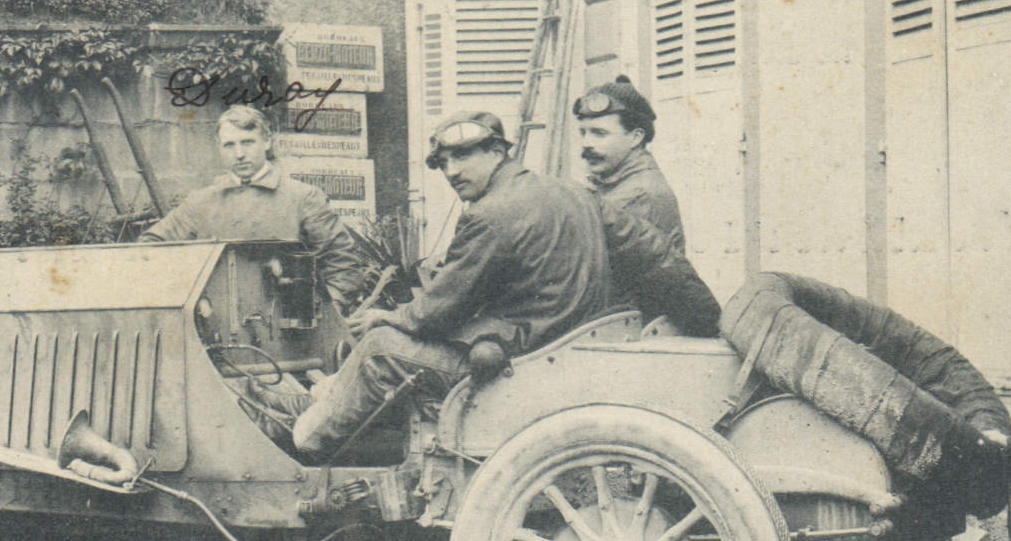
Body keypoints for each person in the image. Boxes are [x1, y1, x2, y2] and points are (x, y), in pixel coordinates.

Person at [289, 111, 610, 461]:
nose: (451, 171)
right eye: (443, 163)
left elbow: (438, 310)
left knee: (378, 347)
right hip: (565, 350)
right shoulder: (578, 193)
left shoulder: (489, 212)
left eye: (463, 156)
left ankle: (303, 443)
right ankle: (320, 400)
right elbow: (651, 253)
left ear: (497, 151)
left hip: (522, 364)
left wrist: (388, 317)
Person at [140, 105, 370, 311]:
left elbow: (344, 265)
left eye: (247, 142)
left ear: (267, 142)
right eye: (229, 145)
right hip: (214, 329)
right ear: (219, 148)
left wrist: (324, 314)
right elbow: (149, 250)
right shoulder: (200, 202)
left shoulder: (302, 198)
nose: (239, 154)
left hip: (288, 332)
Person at [572, 76, 720, 336]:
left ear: (635, 137)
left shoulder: (636, 195)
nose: (587, 143)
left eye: (599, 133)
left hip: (629, 330)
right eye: (583, 132)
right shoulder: (616, 184)